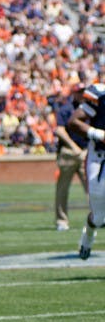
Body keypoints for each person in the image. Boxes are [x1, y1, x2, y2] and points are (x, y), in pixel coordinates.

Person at [66, 83, 105, 260]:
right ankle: (88, 234)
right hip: (100, 158)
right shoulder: (99, 94)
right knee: (98, 217)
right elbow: (73, 122)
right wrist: (99, 134)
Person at [52, 85, 88, 231]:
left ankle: (98, 217)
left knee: (93, 188)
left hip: (85, 153)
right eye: (79, 92)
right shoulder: (66, 109)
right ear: (74, 93)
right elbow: (59, 130)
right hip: (68, 152)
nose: (82, 94)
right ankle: (62, 220)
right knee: (62, 189)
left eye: (83, 92)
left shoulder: (89, 109)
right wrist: (74, 147)